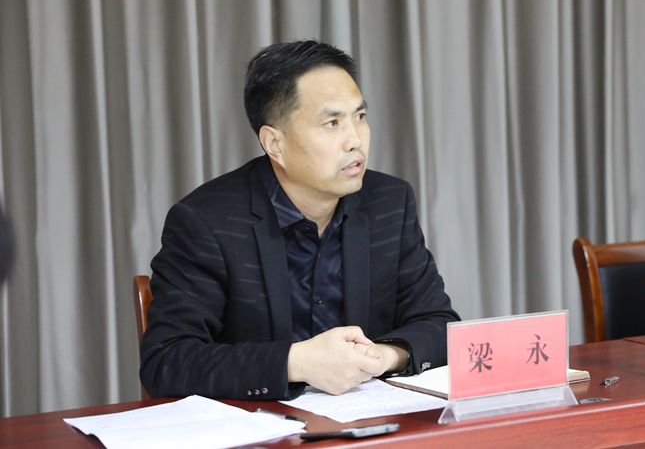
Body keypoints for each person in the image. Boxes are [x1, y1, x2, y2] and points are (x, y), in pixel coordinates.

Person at [140, 40, 460, 401]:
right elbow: (167, 362)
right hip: (261, 424)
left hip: (368, 421)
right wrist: (296, 363)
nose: (355, 140)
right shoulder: (206, 222)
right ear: (274, 144)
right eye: (332, 123)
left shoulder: (389, 202)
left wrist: (382, 356)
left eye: (359, 117)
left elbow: (441, 326)